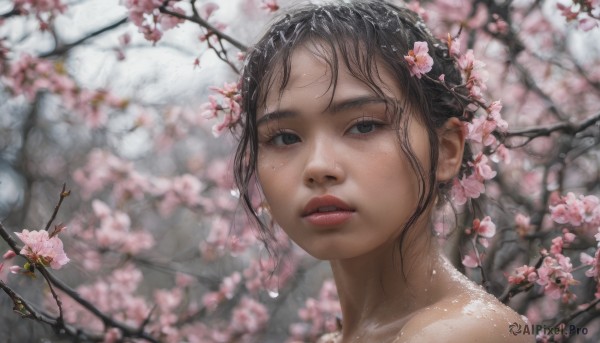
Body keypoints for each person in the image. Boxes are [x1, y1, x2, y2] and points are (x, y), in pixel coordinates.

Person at [233, 1, 531, 342]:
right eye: (285, 137)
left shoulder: (462, 332)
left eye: (363, 127)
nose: (317, 167)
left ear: (446, 150)